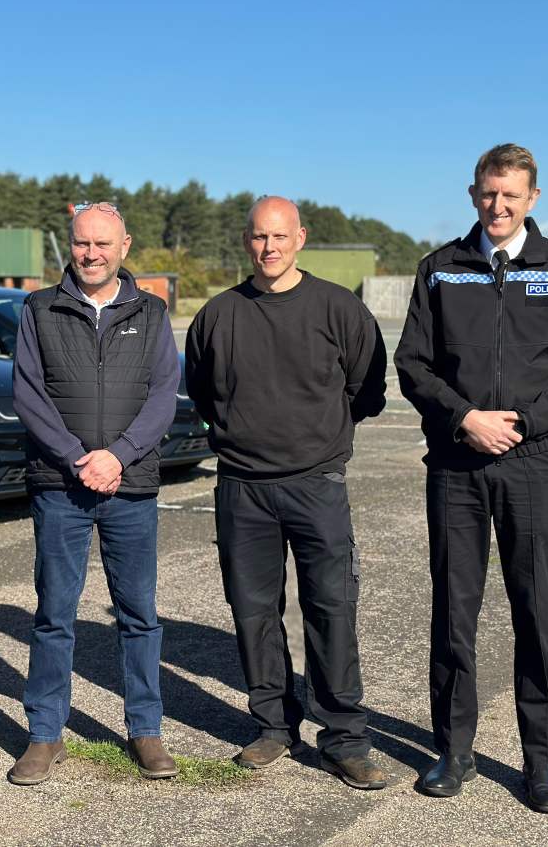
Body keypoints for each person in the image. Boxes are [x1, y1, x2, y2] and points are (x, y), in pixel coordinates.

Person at [394, 143, 548, 813]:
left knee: (537, 612)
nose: (498, 205)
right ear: (473, 194)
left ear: (533, 198)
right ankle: (452, 751)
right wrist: (464, 418)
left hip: (532, 464)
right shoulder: (440, 269)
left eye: (511, 195)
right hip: (456, 464)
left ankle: (541, 760)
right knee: (453, 611)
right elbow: (413, 364)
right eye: (489, 193)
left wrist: (523, 423)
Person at [185, 196, 388, 789]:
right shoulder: (218, 315)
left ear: (300, 237)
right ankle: (273, 725)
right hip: (242, 487)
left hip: (316, 484)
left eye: (279, 236)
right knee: (253, 611)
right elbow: (201, 391)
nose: (268, 247)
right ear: (245, 241)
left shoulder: (339, 308)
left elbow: (366, 389)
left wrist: (316, 436)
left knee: (331, 608)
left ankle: (344, 738)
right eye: (258, 237)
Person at [9, 202, 181, 785]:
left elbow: (163, 394)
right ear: (71, 244)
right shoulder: (40, 308)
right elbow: (29, 394)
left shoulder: (151, 312)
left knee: (138, 614)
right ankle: (44, 734)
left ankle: (146, 730)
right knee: (55, 612)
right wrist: (76, 457)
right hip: (61, 486)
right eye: (82, 243)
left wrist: (119, 455)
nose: (91, 254)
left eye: (103, 244)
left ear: (124, 247)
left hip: (130, 487)